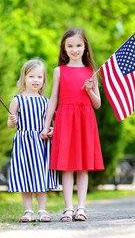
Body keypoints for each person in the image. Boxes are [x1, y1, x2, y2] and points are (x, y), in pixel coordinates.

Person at [40, 27, 104, 222]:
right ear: (64, 48)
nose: (74, 49)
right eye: (70, 46)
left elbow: (97, 104)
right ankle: (68, 208)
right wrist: (45, 125)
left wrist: (89, 90)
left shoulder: (91, 71)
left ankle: (81, 208)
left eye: (78, 45)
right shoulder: (59, 71)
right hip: (65, 119)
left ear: (85, 47)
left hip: (85, 120)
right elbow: (53, 100)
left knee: (83, 167)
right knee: (66, 166)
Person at [7, 59, 59, 222]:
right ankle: (28, 211)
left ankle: (42, 210)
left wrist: (51, 130)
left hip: (41, 143)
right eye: (31, 76)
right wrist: (12, 121)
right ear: (24, 78)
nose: (35, 80)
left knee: (41, 176)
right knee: (26, 176)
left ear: (44, 80)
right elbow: (10, 124)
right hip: (24, 143)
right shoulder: (17, 100)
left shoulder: (45, 101)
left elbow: (51, 122)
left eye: (39, 77)